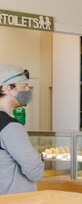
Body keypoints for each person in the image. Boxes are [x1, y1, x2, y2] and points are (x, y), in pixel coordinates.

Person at [0, 65, 44, 194]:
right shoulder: (10, 126)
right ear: (7, 88)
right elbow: (34, 172)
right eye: (24, 86)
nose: (28, 90)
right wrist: (39, 159)